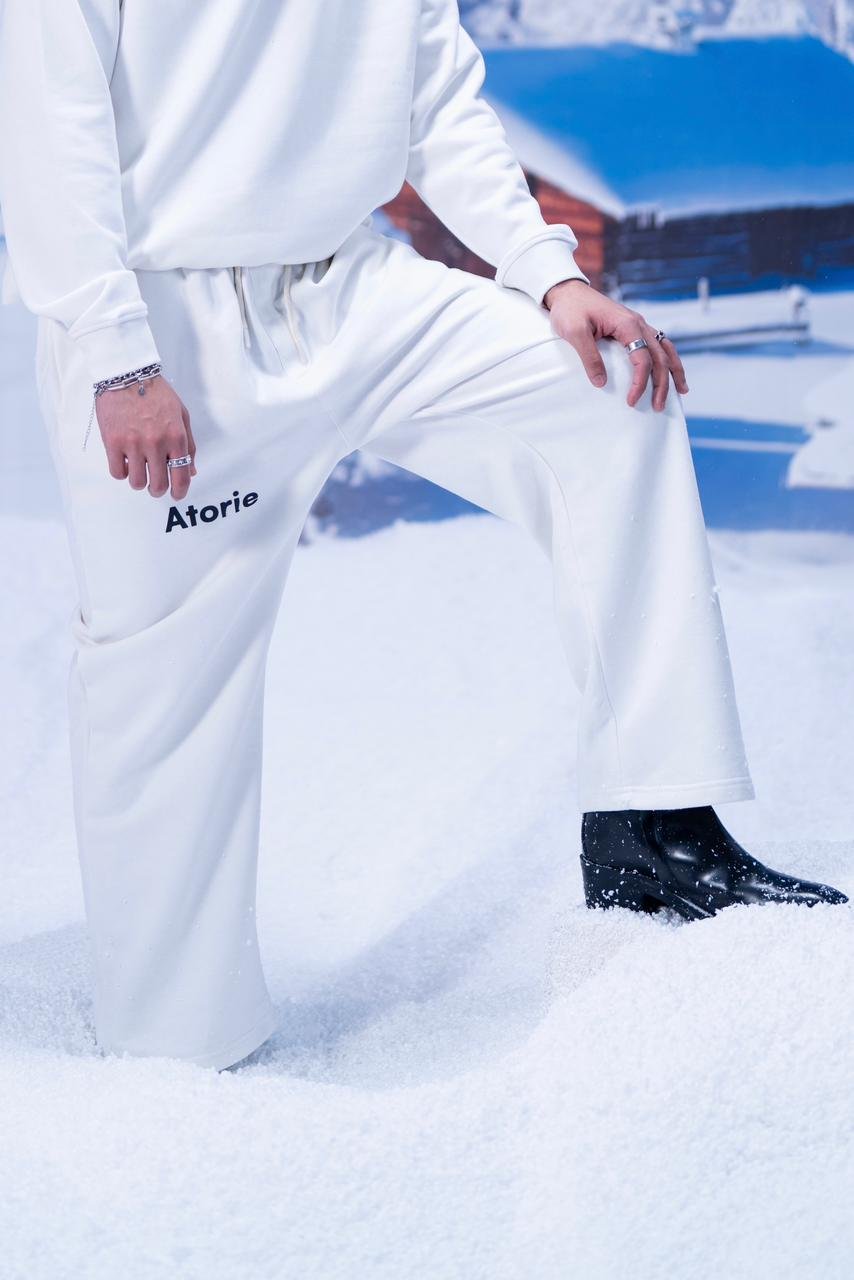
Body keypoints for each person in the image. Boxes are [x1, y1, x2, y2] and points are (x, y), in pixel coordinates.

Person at [0, 0, 844, 1072]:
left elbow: (434, 93)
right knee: (166, 687)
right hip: (167, 324)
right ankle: (175, 1043)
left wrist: (549, 272)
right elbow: (49, 122)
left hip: (348, 283)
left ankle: (651, 828)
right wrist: (115, 353)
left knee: (609, 401)